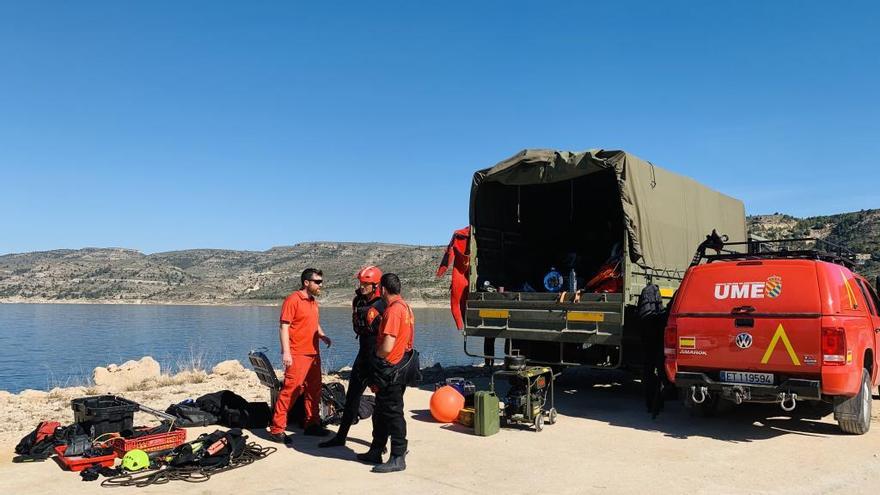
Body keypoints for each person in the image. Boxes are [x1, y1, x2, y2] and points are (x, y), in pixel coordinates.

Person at [319, 266, 386, 448]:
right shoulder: (358, 301)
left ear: (376, 285)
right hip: (363, 356)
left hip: (378, 359)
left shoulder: (383, 304)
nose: (362, 286)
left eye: (366, 284)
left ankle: (379, 443)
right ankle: (341, 437)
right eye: (361, 283)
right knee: (351, 398)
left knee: (381, 403)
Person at [357, 273, 415, 473]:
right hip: (398, 367)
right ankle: (376, 449)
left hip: (390, 368)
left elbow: (388, 346)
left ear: (382, 289)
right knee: (381, 411)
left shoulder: (393, 311)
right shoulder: (406, 307)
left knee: (392, 413)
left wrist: (376, 355)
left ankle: (398, 455)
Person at [267, 268, 333, 442]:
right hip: (297, 354)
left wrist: (322, 335)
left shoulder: (313, 301)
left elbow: (313, 322)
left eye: (321, 281)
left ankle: (312, 424)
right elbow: (284, 326)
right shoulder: (293, 300)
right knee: (291, 390)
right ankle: (277, 428)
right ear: (306, 282)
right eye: (317, 282)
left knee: (314, 390)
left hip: (313, 354)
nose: (321, 285)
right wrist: (286, 352)